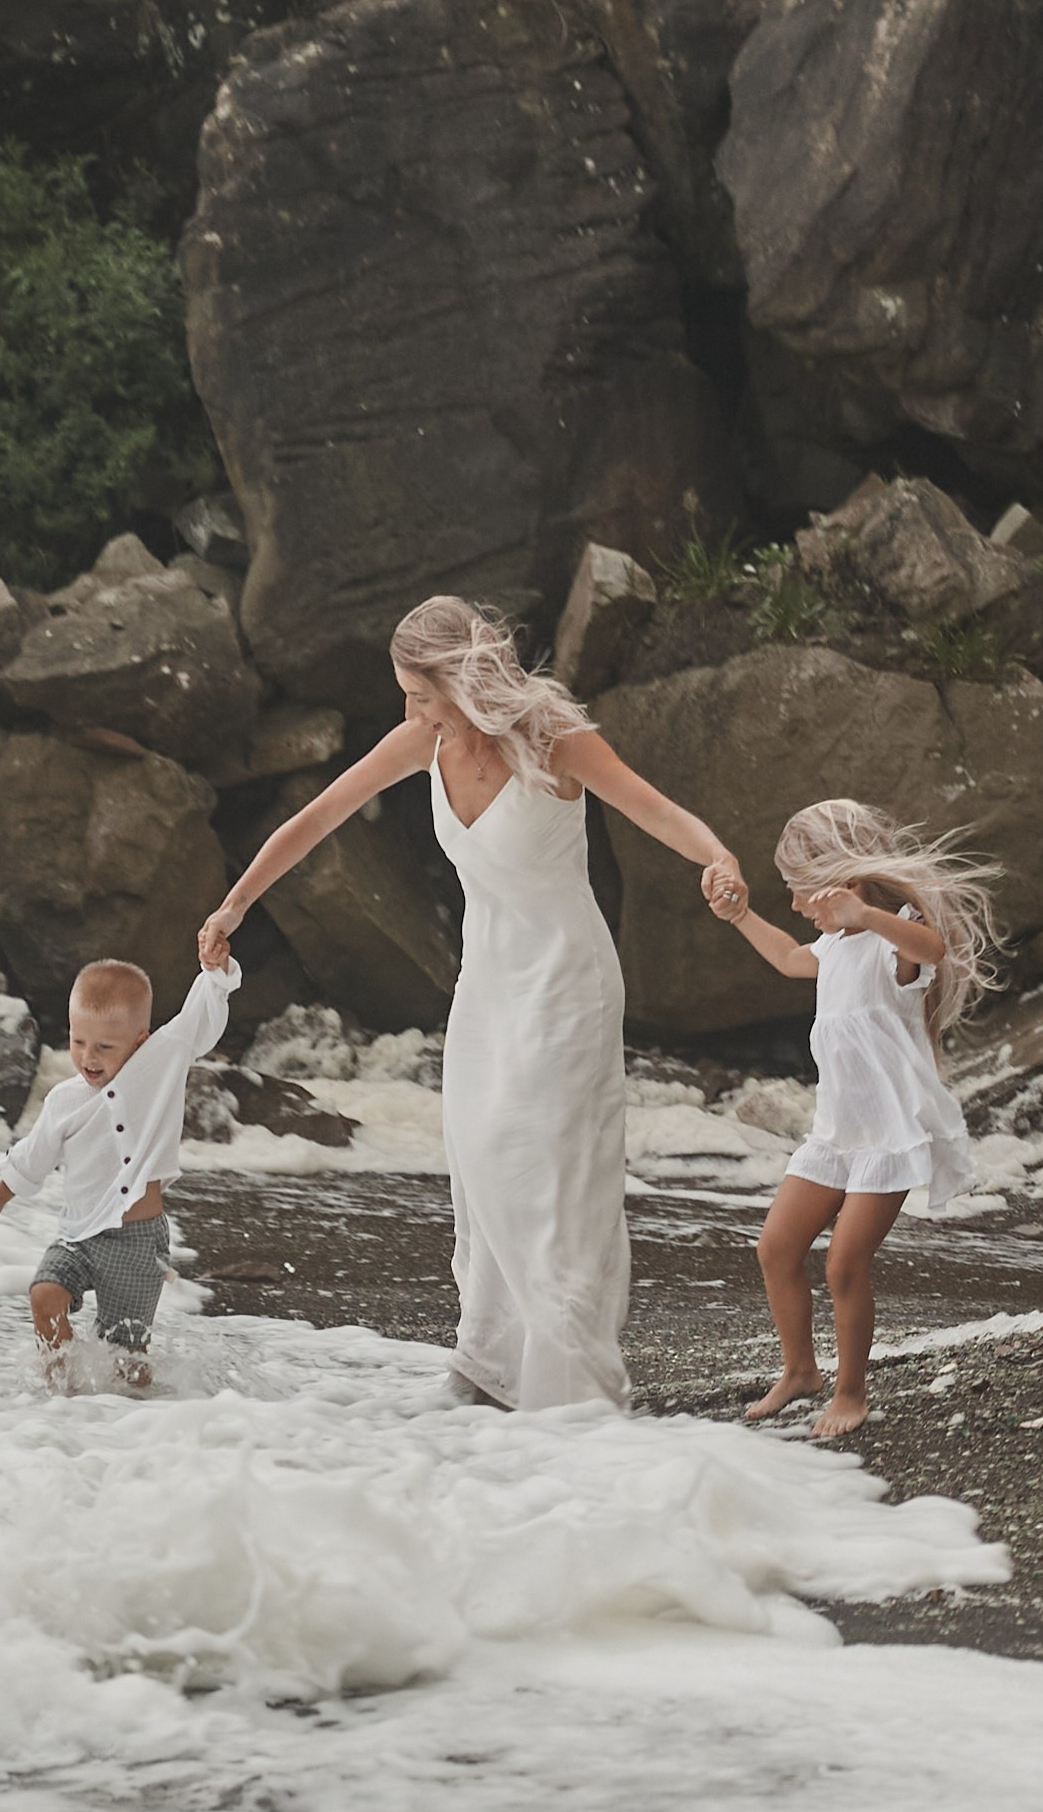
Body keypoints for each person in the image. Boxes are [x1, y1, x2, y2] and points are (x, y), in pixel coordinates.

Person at [197, 597, 744, 1412]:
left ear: (463, 681)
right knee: (482, 1159)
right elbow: (317, 818)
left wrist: (718, 858)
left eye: (421, 694)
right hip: (487, 981)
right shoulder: (424, 740)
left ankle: (571, 1388)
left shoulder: (556, 740)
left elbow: (655, 808)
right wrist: (234, 905)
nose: (410, 712)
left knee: (554, 1175)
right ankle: (489, 1367)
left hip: (568, 979)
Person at [710, 798, 997, 1441]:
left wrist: (865, 913)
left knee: (843, 1263)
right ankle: (800, 1371)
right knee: (776, 1248)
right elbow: (789, 959)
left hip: (888, 1137)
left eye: (798, 889)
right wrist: (740, 915)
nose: (794, 904)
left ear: (838, 878)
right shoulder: (836, 946)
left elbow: (933, 947)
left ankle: (850, 1392)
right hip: (836, 1135)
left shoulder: (894, 935)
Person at [0, 953, 240, 1391]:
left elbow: (199, 1019)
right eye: (78, 1041)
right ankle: (63, 1394)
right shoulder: (64, 1101)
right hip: (77, 1236)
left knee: (128, 1364)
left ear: (140, 1041)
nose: (88, 1057)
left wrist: (215, 970)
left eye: (105, 1047)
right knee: (44, 1296)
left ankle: (131, 1417)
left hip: (137, 1243)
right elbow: (33, 1156)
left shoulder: (160, 1067)